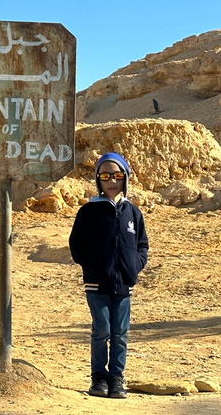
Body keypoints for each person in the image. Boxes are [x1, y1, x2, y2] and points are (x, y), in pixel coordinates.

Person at [69, 152, 149, 399]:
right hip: (96, 283)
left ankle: (116, 378)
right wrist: (92, 265)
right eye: (105, 176)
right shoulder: (89, 211)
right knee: (101, 329)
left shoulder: (133, 213)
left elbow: (142, 245)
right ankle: (98, 379)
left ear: (125, 178)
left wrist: (135, 265)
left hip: (124, 283)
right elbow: (76, 244)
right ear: (97, 180)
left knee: (120, 332)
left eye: (117, 175)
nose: (111, 181)